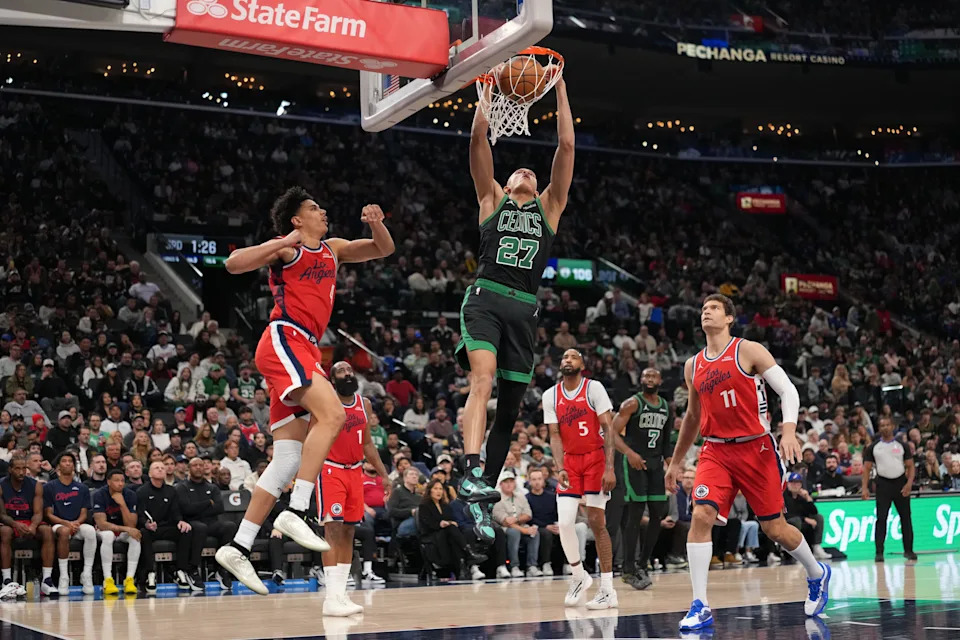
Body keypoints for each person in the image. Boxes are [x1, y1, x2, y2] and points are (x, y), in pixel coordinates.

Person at [216, 190, 395, 595]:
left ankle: (238, 545)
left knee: (288, 457)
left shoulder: (334, 249)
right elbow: (232, 263)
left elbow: (384, 248)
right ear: (296, 220)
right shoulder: (287, 249)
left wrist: (376, 222)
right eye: (314, 208)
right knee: (333, 415)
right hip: (285, 338)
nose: (323, 210)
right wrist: (280, 243)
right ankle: (296, 509)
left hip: (306, 347)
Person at [455, 70, 574, 546]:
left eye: (531, 170)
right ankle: (469, 470)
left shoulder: (550, 207)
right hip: (485, 298)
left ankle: (482, 489)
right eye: (517, 170)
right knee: (481, 380)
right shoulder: (491, 200)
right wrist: (486, 90)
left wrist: (560, 85)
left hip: (525, 310)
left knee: (509, 413)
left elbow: (565, 148)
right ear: (504, 183)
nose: (524, 169)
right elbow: (478, 137)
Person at [664, 294, 830, 632]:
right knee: (700, 514)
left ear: (728, 318)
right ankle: (700, 604)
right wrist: (676, 461)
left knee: (774, 528)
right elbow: (693, 416)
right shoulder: (693, 365)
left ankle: (816, 572)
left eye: (712, 308)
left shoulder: (748, 350)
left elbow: (789, 391)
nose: (705, 312)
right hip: (716, 451)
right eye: (702, 309)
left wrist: (788, 431)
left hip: (757, 448)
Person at [544, 349, 627, 610]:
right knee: (566, 522)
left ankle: (607, 590)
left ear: (582, 365)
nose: (567, 359)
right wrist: (559, 467)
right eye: (564, 357)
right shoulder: (551, 395)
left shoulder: (594, 388)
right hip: (570, 461)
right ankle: (579, 576)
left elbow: (608, 428)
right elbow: (554, 435)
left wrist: (610, 467)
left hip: (595, 459)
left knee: (596, 521)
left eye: (573, 357)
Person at [314, 362, 392, 616]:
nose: (348, 374)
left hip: (355, 470)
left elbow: (368, 443)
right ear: (332, 379)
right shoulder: (324, 403)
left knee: (349, 531)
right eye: (341, 371)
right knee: (332, 529)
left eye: (349, 370)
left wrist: (384, 474)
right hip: (330, 469)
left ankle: (342, 594)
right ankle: (331, 597)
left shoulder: (364, 404)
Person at [612, 367, 673, 590]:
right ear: (640, 379)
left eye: (653, 376)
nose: (649, 379)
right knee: (635, 514)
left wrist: (672, 465)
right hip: (635, 463)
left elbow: (667, 442)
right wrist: (629, 453)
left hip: (656, 466)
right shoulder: (632, 403)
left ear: (660, 380)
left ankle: (643, 563)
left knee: (658, 512)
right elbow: (611, 432)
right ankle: (628, 568)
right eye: (645, 375)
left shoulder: (666, 407)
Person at [137, 460, 200, 593]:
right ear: (149, 473)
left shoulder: (171, 491)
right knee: (143, 533)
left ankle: (180, 570)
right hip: (151, 529)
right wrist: (146, 524)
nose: (160, 470)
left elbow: (176, 511)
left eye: (162, 468)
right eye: (156, 468)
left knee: (186, 531)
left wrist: (180, 521)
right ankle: (150, 573)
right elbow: (139, 514)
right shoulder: (142, 491)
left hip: (167, 527)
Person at [177, 457, 237, 590]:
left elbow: (219, 508)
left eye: (201, 465)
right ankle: (192, 569)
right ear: (189, 468)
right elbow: (186, 509)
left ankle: (222, 568)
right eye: (195, 465)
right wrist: (207, 504)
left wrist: (197, 509)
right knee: (200, 527)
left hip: (211, 523)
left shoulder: (212, 487)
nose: (198, 467)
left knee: (230, 526)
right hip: (192, 524)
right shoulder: (182, 487)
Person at [1, 454, 57, 595]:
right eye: (17, 469)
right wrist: (15, 525)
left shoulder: (35, 485)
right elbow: (1, 515)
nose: (21, 472)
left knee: (47, 531)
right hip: (10, 521)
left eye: (24, 468)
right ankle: (6, 580)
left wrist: (32, 526)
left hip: (29, 520)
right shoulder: (1, 485)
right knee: (5, 532)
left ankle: (47, 579)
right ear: (10, 470)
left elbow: (38, 513)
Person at [863, 416, 916, 562]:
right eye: (882, 425)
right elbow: (866, 469)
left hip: (900, 484)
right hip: (883, 484)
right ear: (879, 428)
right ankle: (879, 552)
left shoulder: (902, 445)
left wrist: (909, 484)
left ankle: (908, 550)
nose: (885, 427)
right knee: (881, 519)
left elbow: (910, 466)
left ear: (892, 426)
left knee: (906, 518)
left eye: (887, 424)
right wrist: (864, 488)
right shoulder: (873, 447)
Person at [43, 452, 96, 594]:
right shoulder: (49, 487)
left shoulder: (82, 488)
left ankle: (87, 574)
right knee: (65, 531)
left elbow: (84, 513)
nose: (67, 463)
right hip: (58, 524)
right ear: (58, 466)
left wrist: (76, 523)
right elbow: (48, 514)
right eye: (64, 461)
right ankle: (64, 576)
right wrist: (66, 523)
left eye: (70, 461)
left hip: (76, 524)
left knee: (91, 531)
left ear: (74, 465)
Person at [419, 479, 485, 581]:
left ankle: (462, 567)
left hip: (446, 533)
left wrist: (448, 523)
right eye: (435, 488)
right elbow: (427, 524)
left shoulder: (445, 505)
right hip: (431, 534)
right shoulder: (424, 506)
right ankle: (468, 553)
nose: (438, 491)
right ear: (429, 491)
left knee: (453, 534)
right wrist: (441, 524)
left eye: (440, 489)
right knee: (452, 530)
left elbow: (450, 519)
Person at [92, 469, 141, 595]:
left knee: (135, 537)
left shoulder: (130, 495)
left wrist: (123, 504)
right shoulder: (99, 494)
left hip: (122, 530)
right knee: (108, 536)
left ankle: (129, 579)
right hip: (105, 531)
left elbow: (131, 524)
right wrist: (126, 529)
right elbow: (102, 524)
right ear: (108, 482)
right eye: (116, 481)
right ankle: (108, 580)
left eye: (122, 481)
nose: (120, 484)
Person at [783, 472, 829, 559]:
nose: (795, 485)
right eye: (792, 482)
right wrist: (805, 519)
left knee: (819, 517)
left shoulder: (802, 496)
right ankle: (797, 550)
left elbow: (814, 512)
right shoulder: (784, 496)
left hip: (801, 522)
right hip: (788, 522)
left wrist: (808, 498)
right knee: (796, 520)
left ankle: (817, 547)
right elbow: (789, 514)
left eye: (797, 483)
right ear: (788, 484)